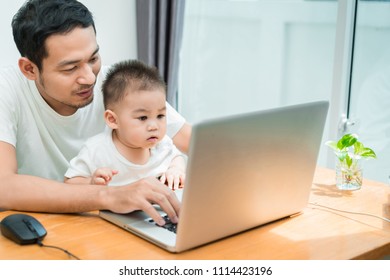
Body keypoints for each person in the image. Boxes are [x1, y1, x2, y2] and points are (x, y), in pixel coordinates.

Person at [0, 0, 191, 226]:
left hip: (116, 226)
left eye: (93, 59)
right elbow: (4, 187)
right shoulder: (7, 90)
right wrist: (111, 196)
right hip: (47, 230)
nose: (90, 78)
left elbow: (198, 144)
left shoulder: (117, 86)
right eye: (70, 68)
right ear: (30, 69)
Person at [64, 60, 186, 189]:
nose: (154, 126)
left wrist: (176, 169)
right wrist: (91, 182)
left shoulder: (162, 144)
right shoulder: (96, 150)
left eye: (160, 116)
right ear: (113, 120)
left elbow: (176, 157)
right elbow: (69, 183)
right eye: (143, 118)